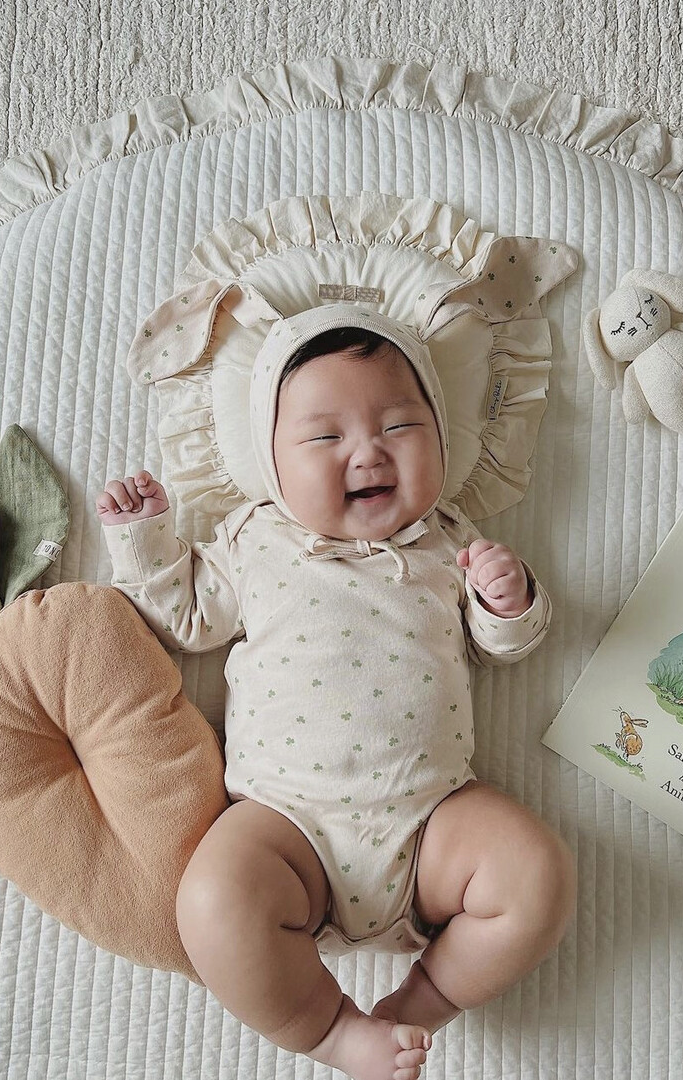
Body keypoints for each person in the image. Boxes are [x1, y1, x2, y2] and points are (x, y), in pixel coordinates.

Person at [96, 305, 575, 1080]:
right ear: (272, 461)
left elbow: (506, 645)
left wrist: (507, 598)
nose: (368, 452)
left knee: (538, 872)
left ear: (440, 436)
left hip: (433, 821)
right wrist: (146, 539)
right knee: (212, 901)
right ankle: (330, 1031)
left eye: (400, 426)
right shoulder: (254, 539)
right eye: (325, 437)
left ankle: (423, 1000)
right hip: (287, 826)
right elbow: (183, 617)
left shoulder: (449, 539)